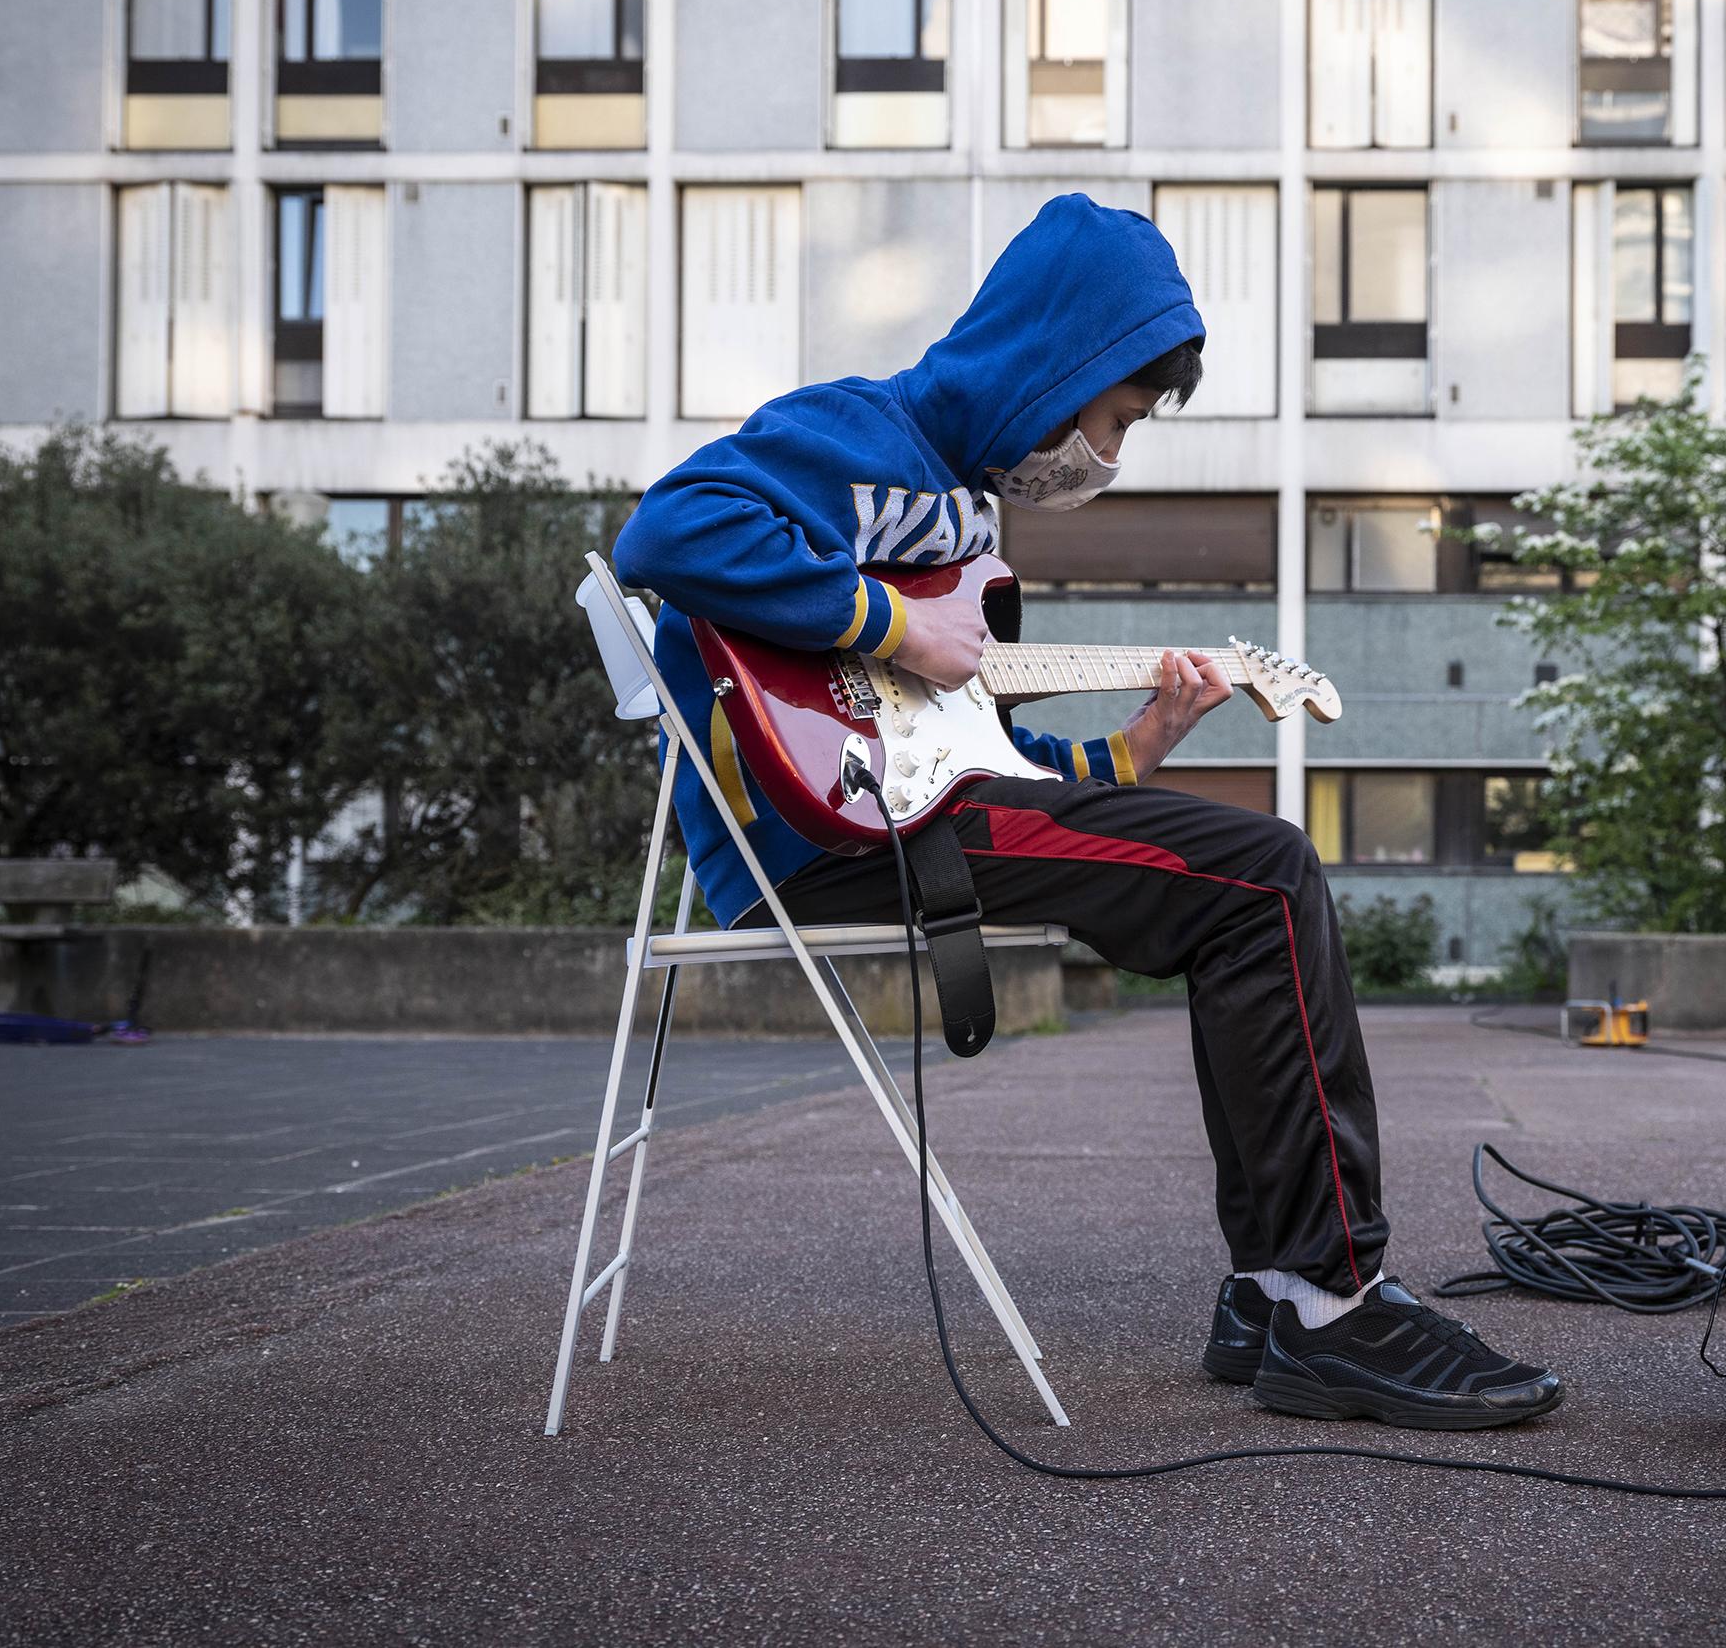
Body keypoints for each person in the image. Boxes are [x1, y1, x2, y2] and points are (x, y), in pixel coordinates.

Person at [612, 194, 1559, 1431]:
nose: (1105, 455)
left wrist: (1133, 747)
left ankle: (1279, 1289)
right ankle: (1330, 1305)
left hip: (913, 803)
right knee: (1265, 879)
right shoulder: (857, 432)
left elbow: (974, 748)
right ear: (1052, 365)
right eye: (1110, 416)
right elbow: (665, 529)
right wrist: (894, 623)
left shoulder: (961, 519)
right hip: (828, 832)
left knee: (1243, 886)